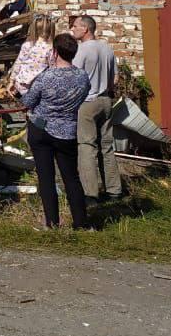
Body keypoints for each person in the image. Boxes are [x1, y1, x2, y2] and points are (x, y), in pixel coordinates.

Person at [21, 33, 91, 230]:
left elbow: (27, 101)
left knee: (46, 178)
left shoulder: (46, 76)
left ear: (55, 52)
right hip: (68, 130)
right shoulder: (82, 77)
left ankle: (51, 223)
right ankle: (81, 223)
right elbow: (84, 95)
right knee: (71, 178)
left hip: (41, 130)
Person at [71, 14, 122, 202]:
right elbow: (114, 79)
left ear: (85, 29)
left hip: (87, 102)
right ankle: (114, 190)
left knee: (86, 147)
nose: (73, 29)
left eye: (75, 26)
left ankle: (90, 194)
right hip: (105, 100)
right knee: (107, 146)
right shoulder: (106, 48)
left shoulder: (81, 50)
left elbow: (74, 78)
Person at [9, 12, 56, 95]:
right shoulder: (50, 48)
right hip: (38, 85)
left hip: (22, 83)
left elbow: (18, 63)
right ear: (51, 30)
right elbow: (52, 67)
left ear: (34, 29)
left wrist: (11, 81)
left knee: (25, 104)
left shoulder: (27, 45)